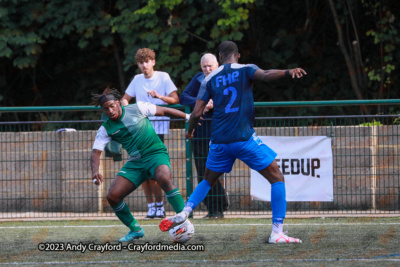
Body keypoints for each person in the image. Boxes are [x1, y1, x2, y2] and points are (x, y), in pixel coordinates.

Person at [160, 41, 307, 244]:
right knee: (276, 178)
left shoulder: (209, 79)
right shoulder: (246, 69)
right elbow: (265, 75)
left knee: (207, 180)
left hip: (219, 141)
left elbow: (196, 112)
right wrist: (287, 72)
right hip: (243, 138)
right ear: (237, 55)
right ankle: (277, 232)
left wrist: (190, 131)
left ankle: (185, 212)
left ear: (220, 57)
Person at [91, 87, 188, 241]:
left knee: (163, 178)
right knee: (113, 196)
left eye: (111, 106)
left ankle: (184, 219)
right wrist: (95, 171)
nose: (109, 111)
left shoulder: (138, 108)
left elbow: (163, 110)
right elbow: (96, 152)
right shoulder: (106, 128)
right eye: (105, 109)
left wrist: (188, 117)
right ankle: (135, 230)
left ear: (118, 103)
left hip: (156, 154)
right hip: (136, 162)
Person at [121, 48, 179, 219]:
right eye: (141, 62)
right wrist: (126, 109)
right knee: (143, 170)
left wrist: (158, 96)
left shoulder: (163, 77)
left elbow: (175, 99)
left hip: (157, 129)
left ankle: (160, 207)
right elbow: (125, 98)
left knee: (154, 170)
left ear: (153, 62)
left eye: (147, 61)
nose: (144, 65)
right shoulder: (137, 79)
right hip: (139, 130)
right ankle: (152, 207)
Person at [179, 53, 228, 219]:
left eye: (210, 66)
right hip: (199, 132)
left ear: (217, 65)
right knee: (202, 171)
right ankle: (212, 209)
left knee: (213, 170)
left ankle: (219, 205)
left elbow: (229, 99)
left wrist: (214, 103)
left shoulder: (224, 78)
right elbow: (183, 97)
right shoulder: (199, 78)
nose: (207, 69)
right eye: (204, 66)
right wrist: (201, 103)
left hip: (218, 130)